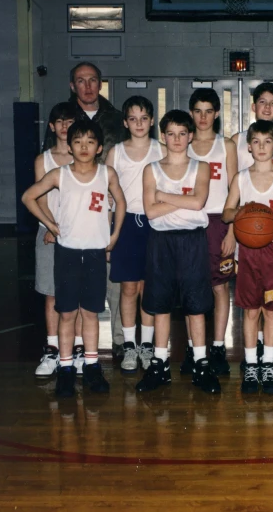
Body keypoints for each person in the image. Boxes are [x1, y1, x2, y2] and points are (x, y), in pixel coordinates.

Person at [22, 120, 126, 398]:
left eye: (90, 142)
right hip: (67, 252)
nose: (83, 147)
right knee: (67, 313)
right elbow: (29, 197)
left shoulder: (107, 173)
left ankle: (91, 365)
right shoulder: (59, 174)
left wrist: (114, 234)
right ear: (69, 146)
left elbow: (122, 202)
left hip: (94, 252)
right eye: (78, 142)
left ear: (99, 147)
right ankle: (66, 369)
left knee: (91, 313)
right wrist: (51, 225)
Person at [135, 110, 219, 394]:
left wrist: (164, 196)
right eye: (171, 133)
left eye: (183, 133)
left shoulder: (201, 167)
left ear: (191, 136)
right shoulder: (151, 169)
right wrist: (185, 200)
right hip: (161, 242)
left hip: (192, 241)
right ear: (163, 136)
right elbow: (150, 211)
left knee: (195, 306)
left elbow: (199, 203)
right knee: (159, 305)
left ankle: (201, 364)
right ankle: (159, 365)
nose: (177, 139)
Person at [222, 120, 273, 394]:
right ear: (248, 147)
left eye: (267, 141)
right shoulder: (241, 178)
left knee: (272, 310)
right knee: (250, 310)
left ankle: (268, 365)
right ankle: (251, 365)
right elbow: (226, 213)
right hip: (248, 252)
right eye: (256, 142)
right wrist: (245, 212)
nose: (261, 147)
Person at [231, 83, 273, 369]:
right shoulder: (236, 141)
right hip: (247, 237)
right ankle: (252, 353)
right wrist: (243, 220)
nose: (267, 107)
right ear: (254, 106)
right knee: (250, 304)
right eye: (262, 102)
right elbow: (231, 195)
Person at [68, 62, 125, 359]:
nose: (88, 86)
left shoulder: (117, 119)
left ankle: (119, 340)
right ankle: (78, 345)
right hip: (76, 211)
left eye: (93, 80)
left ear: (101, 84)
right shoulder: (62, 117)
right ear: (72, 86)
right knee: (78, 281)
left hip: (111, 208)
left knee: (114, 278)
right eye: (81, 80)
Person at [105, 96, 164, 373]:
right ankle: (129, 345)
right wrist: (109, 230)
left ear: (152, 121)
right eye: (132, 118)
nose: (138, 123)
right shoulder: (116, 152)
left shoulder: (162, 150)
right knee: (128, 288)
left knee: (149, 288)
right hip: (125, 223)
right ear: (125, 122)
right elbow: (107, 196)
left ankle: (147, 345)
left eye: (144, 118)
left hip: (154, 223)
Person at [185, 88, 238, 376]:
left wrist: (231, 231)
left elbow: (235, 190)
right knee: (190, 287)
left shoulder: (226, 145)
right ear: (191, 113)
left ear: (217, 114)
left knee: (220, 287)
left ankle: (218, 346)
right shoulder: (182, 143)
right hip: (188, 221)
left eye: (209, 111)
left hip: (219, 221)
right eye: (198, 111)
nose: (203, 117)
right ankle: (194, 348)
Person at [33, 103, 77, 377]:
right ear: (52, 127)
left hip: (79, 232)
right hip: (49, 232)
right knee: (52, 294)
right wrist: (52, 226)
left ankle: (81, 350)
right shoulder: (43, 160)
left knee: (80, 296)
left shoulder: (85, 156)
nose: (64, 126)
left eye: (69, 122)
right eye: (59, 122)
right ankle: (51, 350)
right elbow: (39, 199)